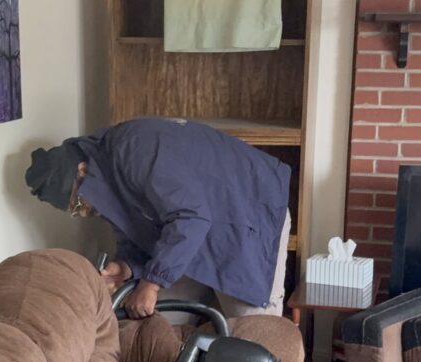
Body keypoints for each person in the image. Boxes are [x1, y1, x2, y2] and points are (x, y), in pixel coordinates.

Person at [25, 117, 292, 320]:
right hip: (197, 229)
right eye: (75, 210)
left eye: (79, 202)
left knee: (253, 337)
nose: (83, 212)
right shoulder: (104, 177)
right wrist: (125, 267)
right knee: (159, 320)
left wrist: (151, 284)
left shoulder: (133, 148)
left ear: (82, 171)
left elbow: (190, 218)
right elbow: (138, 234)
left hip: (247, 214)